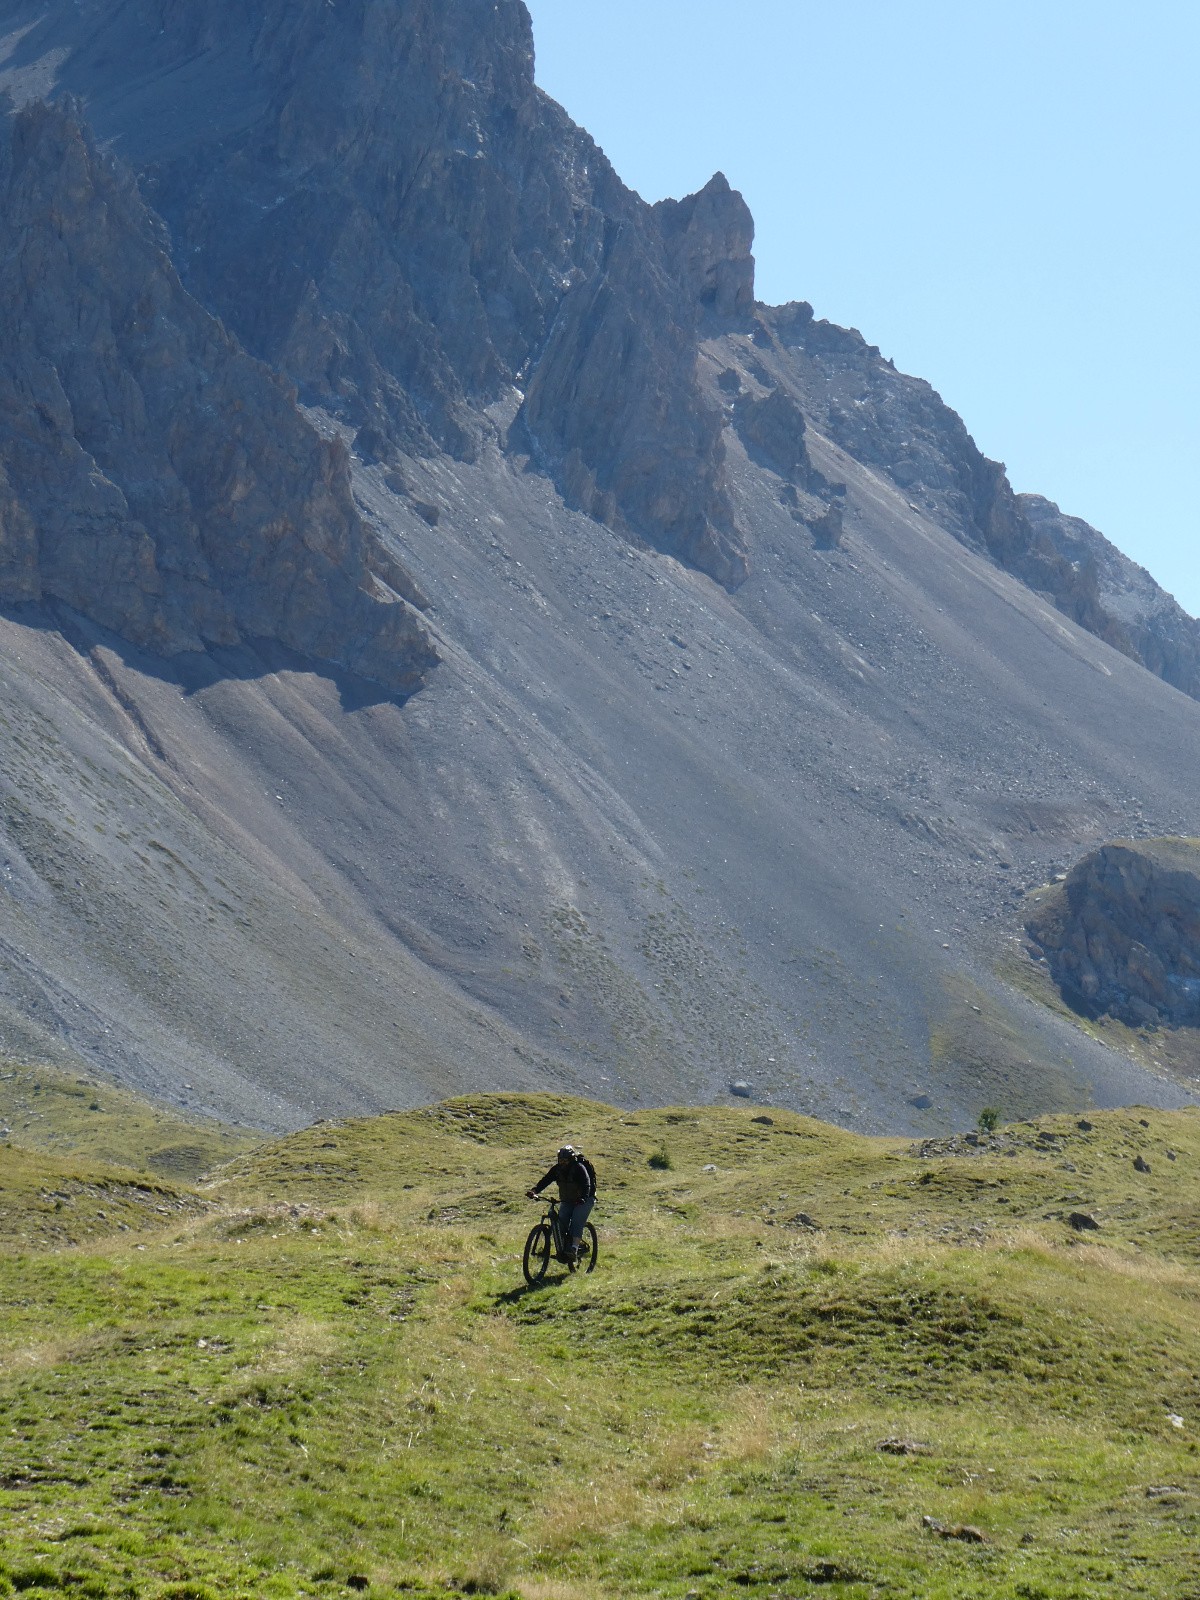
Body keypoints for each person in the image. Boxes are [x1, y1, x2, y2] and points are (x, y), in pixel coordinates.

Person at [527, 1144, 595, 1262]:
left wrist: (583, 1197)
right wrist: (534, 1191)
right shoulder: (556, 1169)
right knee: (560, 1223)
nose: (562, 1163)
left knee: (577, 1221)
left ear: (571, 1159)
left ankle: (574, 1248)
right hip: (568, 1200)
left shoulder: (579, 1168)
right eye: (560, 1160)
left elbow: (586, 1184)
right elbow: (546, 1180)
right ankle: (563, 1250)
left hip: (585, 1199)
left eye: (565, 1160)